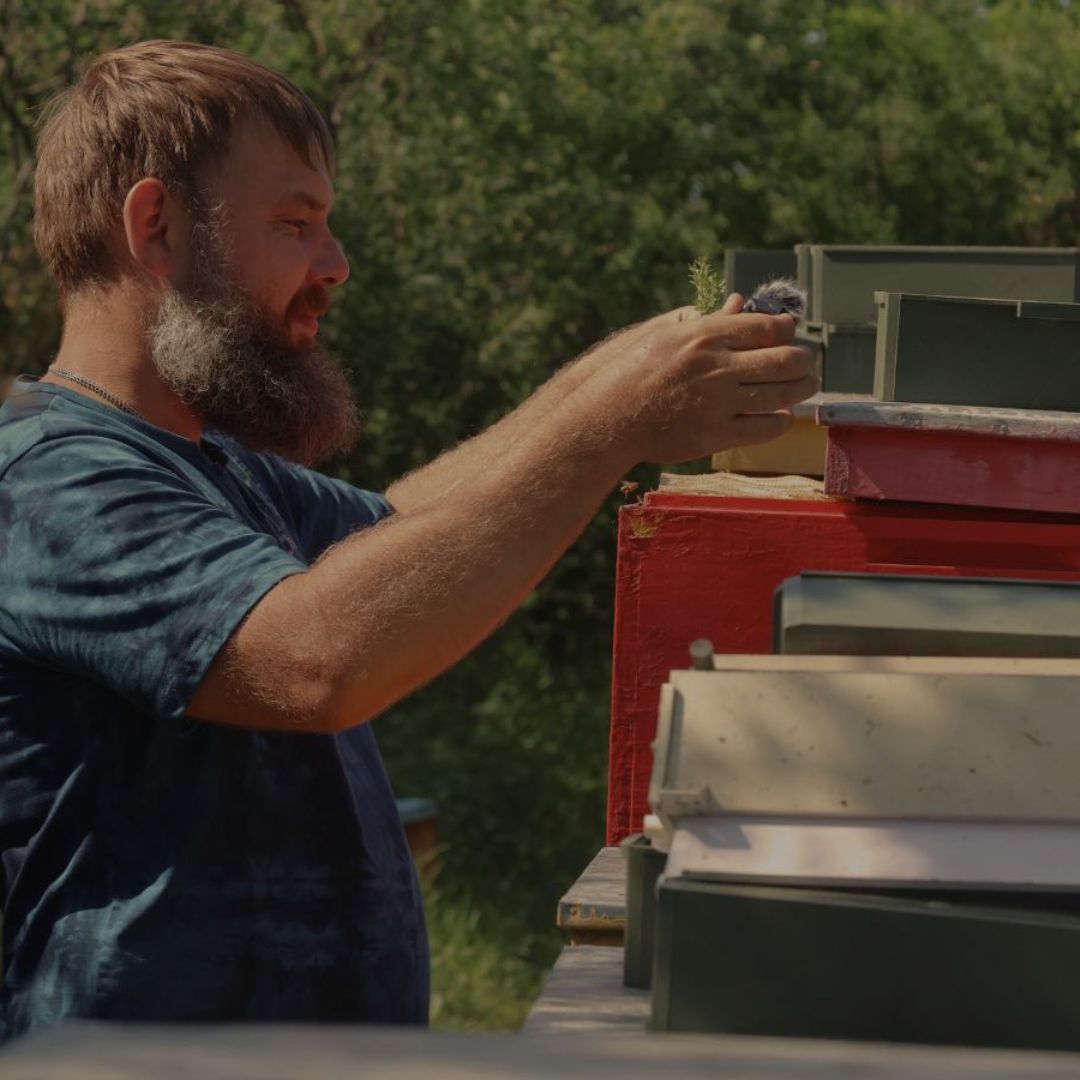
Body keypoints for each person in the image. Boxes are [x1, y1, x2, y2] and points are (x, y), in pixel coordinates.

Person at [0, 40, 816, 1040]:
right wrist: (607, 424)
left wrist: (626, 371)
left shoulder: (215, 468)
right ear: (156, 226)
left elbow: (405, 535)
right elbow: (315, 657)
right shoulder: (49, 484)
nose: (335, 266)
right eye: (297, 224)